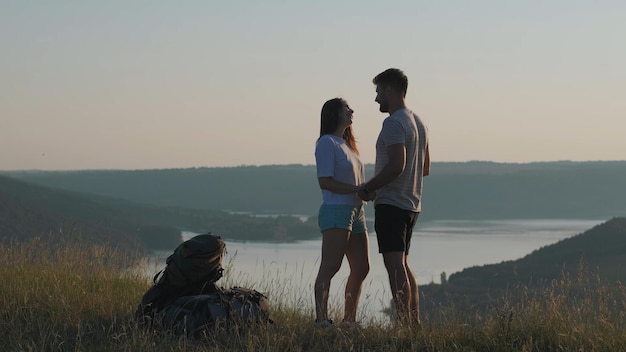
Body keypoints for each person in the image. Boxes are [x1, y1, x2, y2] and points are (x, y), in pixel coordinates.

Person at [358, 68, 430, 326]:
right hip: (413, 203)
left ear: (390, 90)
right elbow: (425, 167)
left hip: (392, 204)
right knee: (403, 264)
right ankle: (413, 323)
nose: (376, 99)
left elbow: (397, 164)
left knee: (394, 265)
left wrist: (369, 188)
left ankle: (402, 324)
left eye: (378, 92)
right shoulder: (419, 122)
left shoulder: (393, 123)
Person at [313, 97, 371, 327]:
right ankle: (321, 320)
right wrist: (357, 189)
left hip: (356, 211)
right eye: (347, 108)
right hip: (337, 210)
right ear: (334, 113)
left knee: (362, 267)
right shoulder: (327, 143)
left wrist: (365, 192)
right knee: (330, 266)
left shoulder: (347, 144)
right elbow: (325, 182)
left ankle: (349, 320)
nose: (352, 111)